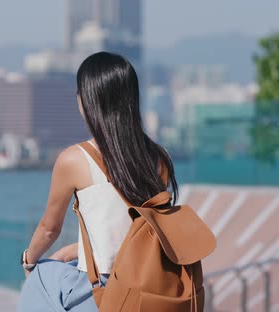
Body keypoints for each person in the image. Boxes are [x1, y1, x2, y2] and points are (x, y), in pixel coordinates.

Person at [18, 51, 178, 312]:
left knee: (40, 278)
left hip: (102, 290)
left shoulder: (75, 159)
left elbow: (49, 229)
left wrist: (29, 260)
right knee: (59, 266)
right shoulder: (160, 158)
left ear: (86, 101)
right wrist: (75, 250)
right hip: (150, 282)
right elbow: (134, 231)